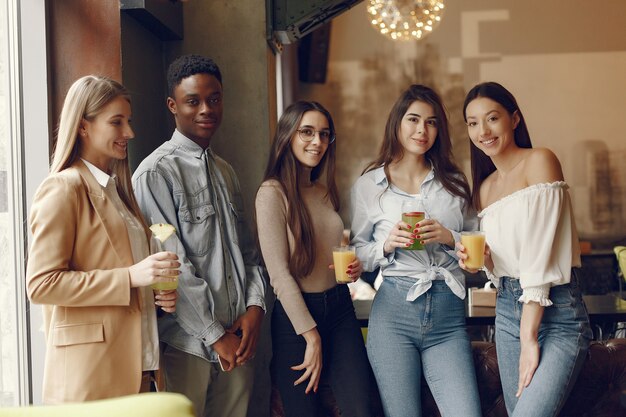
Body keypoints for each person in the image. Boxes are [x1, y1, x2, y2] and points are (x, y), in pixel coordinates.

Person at [26, 75, 179, 404]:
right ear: (84, 127)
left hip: (142, 369)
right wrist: (130, 277)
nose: (130, 133)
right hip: (93, 376)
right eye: (117, 122)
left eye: (129, 121)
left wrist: (155, 299)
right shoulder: (64, 188)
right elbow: (41, 285)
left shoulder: (119, 193)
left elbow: (125, 280)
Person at [132, 54, 267, 417]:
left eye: (215, 98)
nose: (206, 109)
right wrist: (214, 335)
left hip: (238, 342)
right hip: (187, 345)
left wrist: (255, 308)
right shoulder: (154, 174)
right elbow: (170, 266)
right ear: (173, 106)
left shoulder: (227, 172)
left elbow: (249, 253)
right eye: (193, 101)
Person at [459, 81, 592, 416]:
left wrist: (529, 336)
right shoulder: (485, 188)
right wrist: (484, 262)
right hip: (507, 312)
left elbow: (538, 257)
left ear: (514, 119)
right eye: (473, 123)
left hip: (557, 313)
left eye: (492, 118)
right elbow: (506, 264)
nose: (483, 131)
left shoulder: (540, 161)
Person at [350, 85, 482, 417]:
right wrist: (386, 244)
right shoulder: (369, 186)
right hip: (393, 312)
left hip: (448, 315)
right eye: (413, 119)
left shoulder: (454, 183)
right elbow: (356, 253)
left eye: (432, 122)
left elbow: (479, 251)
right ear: (397, 123)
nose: (422, 130)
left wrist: (449, 237)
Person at [255, 100, 373, 417]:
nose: (317, 142)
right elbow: (279, 275)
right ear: (287, 136)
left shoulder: (322, 190)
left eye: (324, 134)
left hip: (339, 308)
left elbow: (331, 258)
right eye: (307, 132)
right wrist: (311, 336)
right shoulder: (271, 193)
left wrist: (353, 268)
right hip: (297, 320)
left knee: (364, 409)